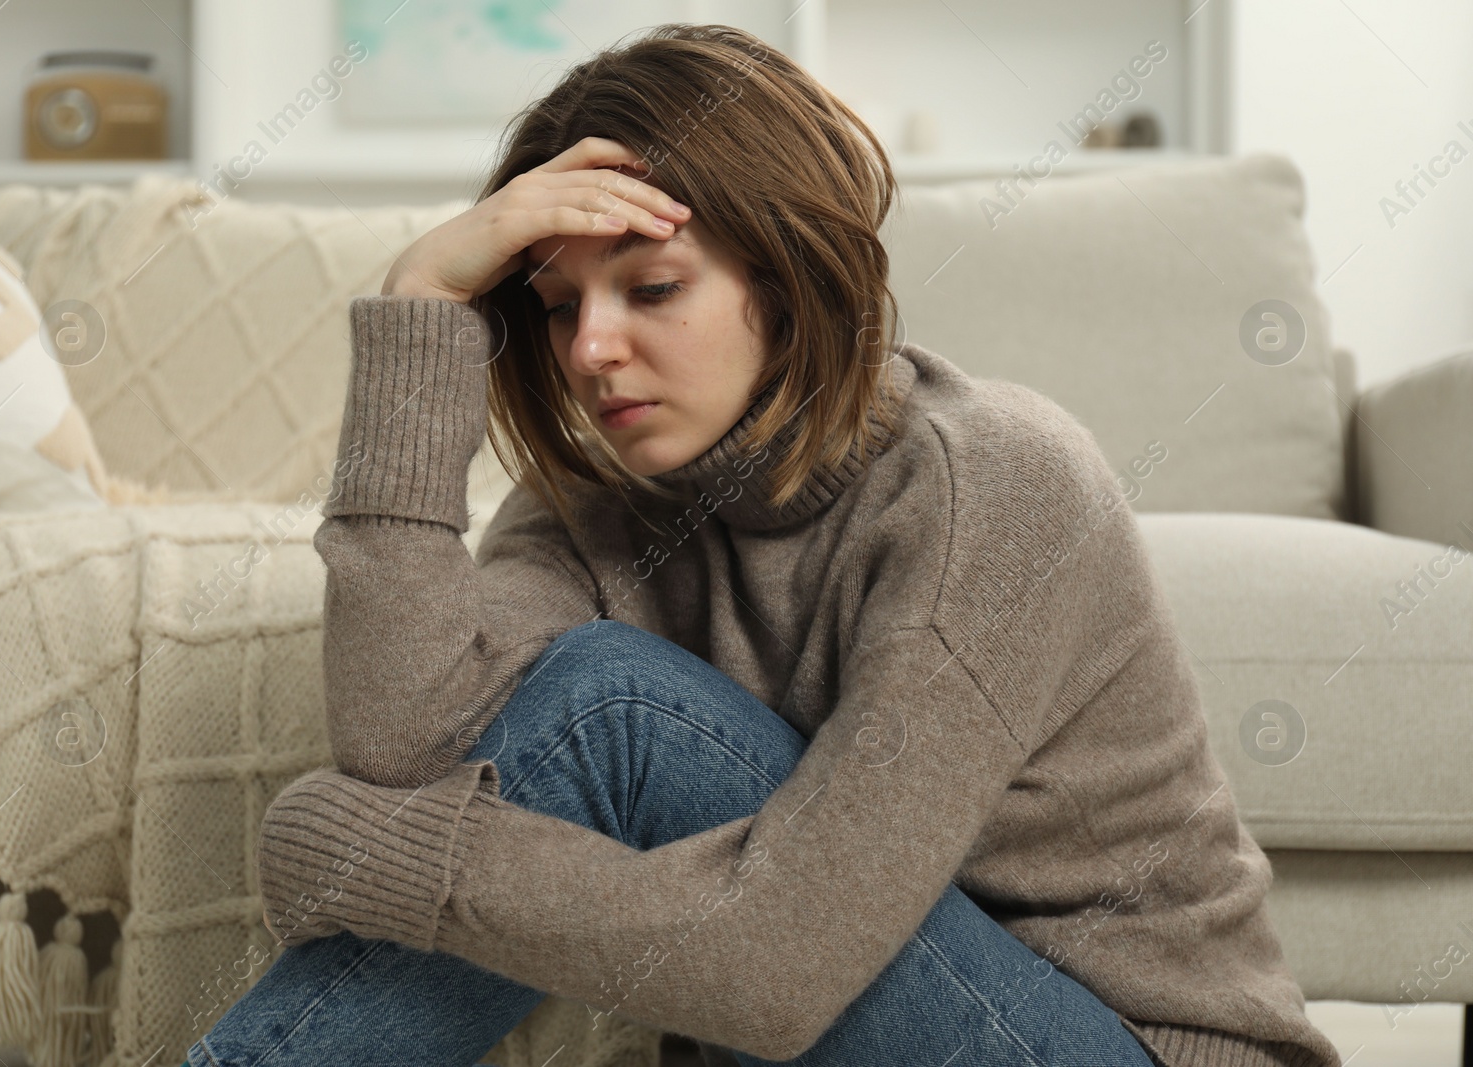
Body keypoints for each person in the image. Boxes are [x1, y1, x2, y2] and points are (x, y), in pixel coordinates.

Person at [186, 23, 1343, 1067]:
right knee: (591, 704)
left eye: (650, 287)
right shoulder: (590, 503)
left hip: (1122, 1044)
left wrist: (371, 860)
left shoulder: (991, 483)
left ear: (785, 288)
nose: (591, 348)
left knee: (610, 703)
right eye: (554, 303)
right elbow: (405, 747)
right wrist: (421, 303)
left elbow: (771, 973)